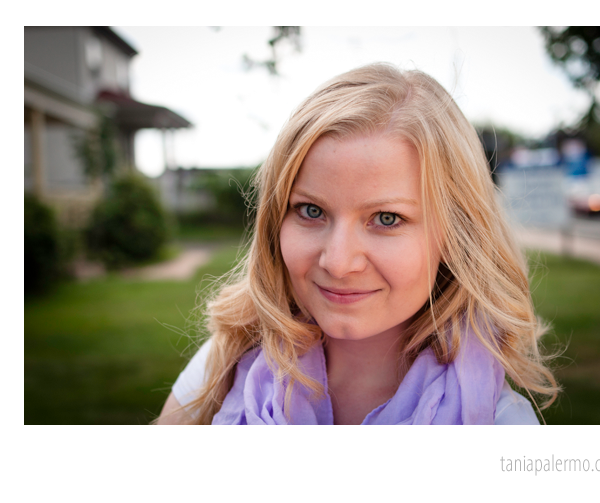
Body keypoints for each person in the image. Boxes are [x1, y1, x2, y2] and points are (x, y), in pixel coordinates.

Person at [157, 63, 560, 425]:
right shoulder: (222, 366)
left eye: (386, 218)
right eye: (311, 211)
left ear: (457, 234)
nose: (338, 262)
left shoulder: (498, 423)